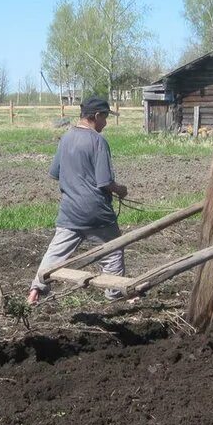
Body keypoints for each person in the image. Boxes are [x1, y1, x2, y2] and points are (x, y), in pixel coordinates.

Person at [28, 96, 129, 304]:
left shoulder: (66, 137)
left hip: (69, 212)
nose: (106, 123)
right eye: (106, 117)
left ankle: (36, 290)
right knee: (112, 251)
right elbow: (104, 181)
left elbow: (55, 172)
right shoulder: (98, 141)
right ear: (97, 116)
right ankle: (114, 293)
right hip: (97, 213)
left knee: (55, 254)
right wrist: (120, 190)